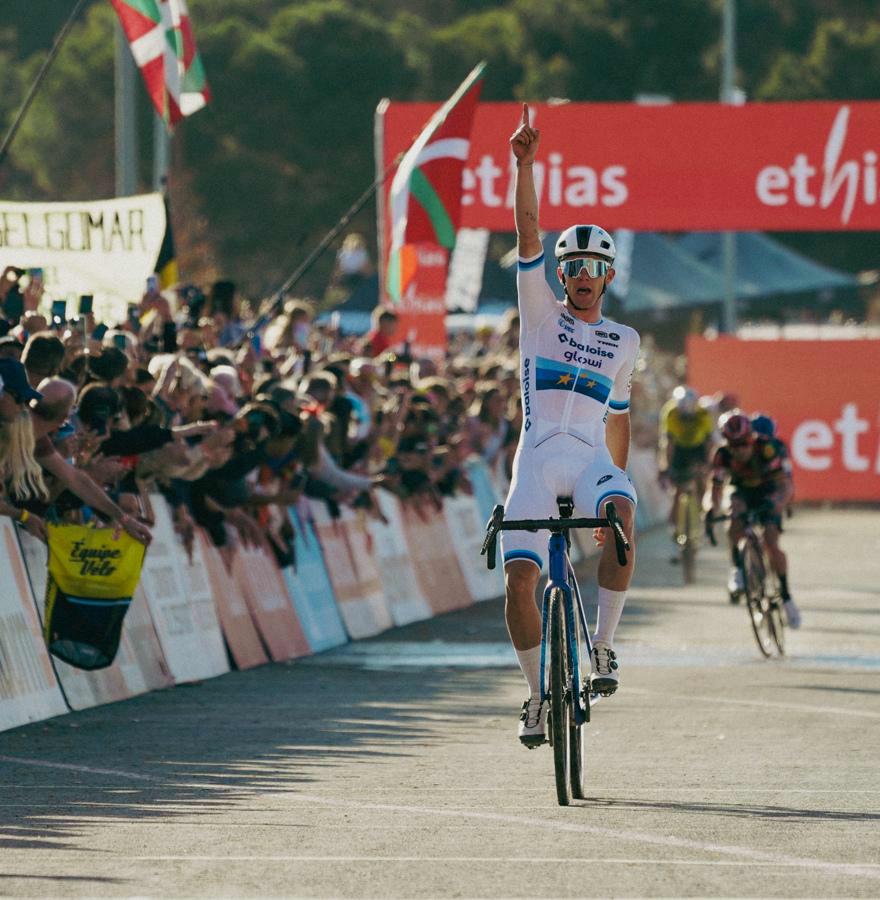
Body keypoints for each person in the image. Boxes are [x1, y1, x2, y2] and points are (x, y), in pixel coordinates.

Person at [506, 104, 640, 747]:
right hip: (535, 461)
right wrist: (524, 166)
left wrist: (614, 480)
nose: (583, 277)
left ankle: (605, 647)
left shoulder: (624, 339)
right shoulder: (538, 312)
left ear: (609, 277)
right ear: (562, 274)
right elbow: (529, 230)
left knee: (623, 513)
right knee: (519, 581)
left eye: (595, 269)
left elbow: (619, 417)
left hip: (588, 462)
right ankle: (536, 697)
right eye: (574, 267)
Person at [708, 412, 800, 628]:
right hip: (742, 492)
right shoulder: (722, 455)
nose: (740, 450)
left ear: (752, 438)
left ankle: (786, 597)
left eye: (745, 443)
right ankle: (738, 569)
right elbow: (716, 488)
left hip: (769, 491)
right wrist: (711, 512)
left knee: (770, 541)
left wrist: (778, 503)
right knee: (734, 518)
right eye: (734, 445)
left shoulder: (769, 448)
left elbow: (786, 485)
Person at [658, 385, 714, 540]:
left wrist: (708, 465)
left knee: (702, 480)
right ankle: (675, 527)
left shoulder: (703, 413)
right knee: (679, 490)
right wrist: (665, 466)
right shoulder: (670, 412)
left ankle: (701, 509)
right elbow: (668, 444)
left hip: (698, 447)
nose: (687, 419)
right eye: (684, 416)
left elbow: (709, 443)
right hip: (679, 449)